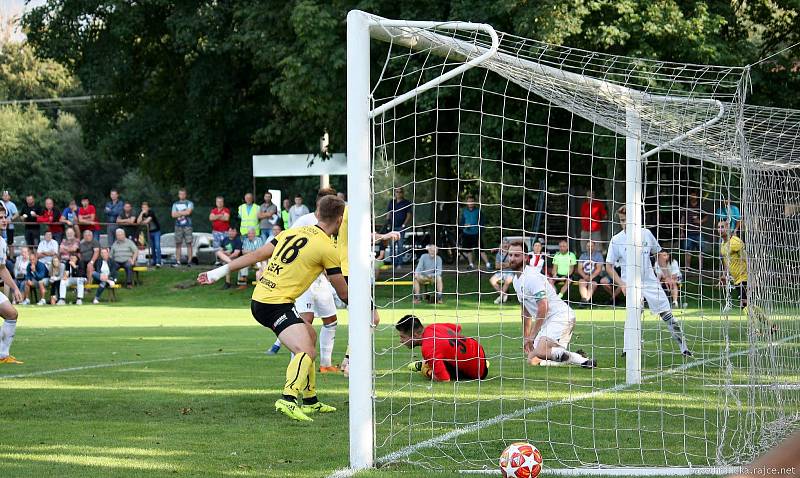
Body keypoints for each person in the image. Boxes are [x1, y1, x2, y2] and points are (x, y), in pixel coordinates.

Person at [198, 195, 349, 422]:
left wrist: (216, 273)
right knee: (305, 350)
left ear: (317, 214)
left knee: (309, 335)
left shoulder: (290, 232)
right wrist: (368, 306)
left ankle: (310, 401)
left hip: (263, 297)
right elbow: (344, 293)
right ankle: (288, 399)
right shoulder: (327, 247)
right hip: (274, 304)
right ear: (339, 220)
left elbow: (256, 255)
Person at [266, 188, 341, 374]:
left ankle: (325, 364)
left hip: (322, 279)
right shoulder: (304, 221)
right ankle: (295, 369)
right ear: (319, 204)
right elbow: (288, 245)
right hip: (304, 279)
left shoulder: (338, 223)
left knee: (331, 320)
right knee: (305, 321)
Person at [606, 206, 692, 357]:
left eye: (627, 220)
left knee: (667, 313)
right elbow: (608, 266)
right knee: (633, 315)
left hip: (650, 282)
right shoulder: (617, 240)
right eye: (622, 220)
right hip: (631, 284)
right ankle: (628, 350)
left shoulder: (646, 234)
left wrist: (666, 276)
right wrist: (622, 284)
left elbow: (658, 254)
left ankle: (684, 348)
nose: (624, 223)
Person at [504, 241, 596, 368]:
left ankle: (583, 361)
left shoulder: (532, 277)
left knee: (541, 352)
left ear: (525, 257)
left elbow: (543, 307)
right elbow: (525, 312)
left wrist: (532, 336)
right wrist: (526, 337)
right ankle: (572, 356)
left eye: (517, 255)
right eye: (510, 255)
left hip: (561, 317)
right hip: (548, 322)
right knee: (532, 359)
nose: (512, 259)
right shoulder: (516, 281)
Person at [395, 314, 489, 382]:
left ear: (415, 335)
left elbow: (444, 379)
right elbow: (457, 328)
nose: (401, 341)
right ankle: (484, 363)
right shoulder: (433, 327)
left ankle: (423, 365)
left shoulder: (428, 348)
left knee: (429, 367)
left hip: (478, 373)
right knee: (441, 355)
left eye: (403, 337)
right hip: (478, 349)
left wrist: (426, 371)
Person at [0, 204, 24, 363]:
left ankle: (3, 355)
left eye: (4, 217)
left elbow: (1, 269)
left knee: (11, 314)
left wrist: (15, 288)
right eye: (0, 218)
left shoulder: (1, 241)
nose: (4, 220)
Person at [681, 190, 711, 272]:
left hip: (698, 233)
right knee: (687, 251)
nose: (692, 196)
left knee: (701, 250)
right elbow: (683, 219)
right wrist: (682, 231)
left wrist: (700, 221)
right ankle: (687, 268)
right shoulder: (686, 206)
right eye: (691, 195)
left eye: (694, 195)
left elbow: (706, 216)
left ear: (697, 196)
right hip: (688, 233)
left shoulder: (700, 206)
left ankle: (700, 269)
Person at [459, 195, 491, 270]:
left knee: (481, 249)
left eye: (472, 201)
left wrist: (480, 230)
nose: (471, 203)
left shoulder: (478, 211)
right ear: (467, 202)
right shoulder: (464, 212)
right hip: (466, 234)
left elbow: (482, 223)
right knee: (468, 250)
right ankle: (471, 265)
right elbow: (461, 224)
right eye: (469, 201)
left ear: (474, 202)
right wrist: (464, 226)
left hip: (476, 234)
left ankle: (488, 264)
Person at [576, 240, 612, 306]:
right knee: (582, 282)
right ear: (586, 247)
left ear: (594, 247)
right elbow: (579, 269)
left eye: (591, 246)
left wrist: (591, 277)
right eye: (588, 246)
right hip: (585, 275)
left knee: (592, 284)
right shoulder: (582, 256)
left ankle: (585, 301)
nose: (590, 247)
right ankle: (585, 299)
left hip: (595, 276)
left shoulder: (598, 255)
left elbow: (598, 269)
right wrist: (584, 276)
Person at [386, 187, 413, 268]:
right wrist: (387, 223)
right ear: (394, 193)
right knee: (392, 246)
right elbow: (389, 213)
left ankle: (400, 264)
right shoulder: (392, 202)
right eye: (396, 192)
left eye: (400, 192)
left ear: (403, 193)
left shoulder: (406, 202)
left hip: (401, 227)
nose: (398, 193)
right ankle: (393, 264)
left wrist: (404, 225)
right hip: (392, 227)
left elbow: (409, 215)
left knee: (400, 246)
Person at [171, 188, 194, 267]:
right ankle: (178, 261)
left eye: (183, 194)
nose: (182, 195)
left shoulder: (189, 203)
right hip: (178, 226)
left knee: (189, 243)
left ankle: (190, 261)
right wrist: (183, 212)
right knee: (178, 244)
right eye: (180, 194)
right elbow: (173, 215)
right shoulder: (175, 204)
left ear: (185, 194)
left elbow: (188, 212)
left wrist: (178, 212)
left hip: (188, 226)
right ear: (178, 195)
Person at [137, 202, 161, 267]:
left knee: (157, 246)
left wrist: (142, 222)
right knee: (152, 247)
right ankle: (154, 261)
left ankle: (159, 262)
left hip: (156, 231)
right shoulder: (142, 214)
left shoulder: (151, 212)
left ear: (148, 208)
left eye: (145, 207)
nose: (144, 209)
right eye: (143, 208)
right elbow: (138, 222)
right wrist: (141, 213)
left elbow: (147, 221)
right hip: (149, 232)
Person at [489, 239, 514, 304]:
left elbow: (512, 265)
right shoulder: (498, 254)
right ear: (501, 245)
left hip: (510, 272)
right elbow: (497, 266)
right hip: (500, 272)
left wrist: (502, 265)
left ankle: (500, 298)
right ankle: (504, 295)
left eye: (506, 243)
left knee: (507, 281)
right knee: (492, 280)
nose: (505, 245)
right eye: (503, 243)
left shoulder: (512, 253)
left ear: (509, 245)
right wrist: (506, 265)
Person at [2, 191, 19, 257]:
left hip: (10, 226)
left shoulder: (12, 204)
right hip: (2, 227)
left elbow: (16, 214)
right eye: (4, 195)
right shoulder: (1, 204)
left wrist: (11, 219)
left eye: (6, 195)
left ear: (9, 197)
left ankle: (11, 257)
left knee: (10, 243)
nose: (5, 197)